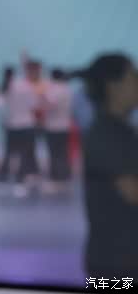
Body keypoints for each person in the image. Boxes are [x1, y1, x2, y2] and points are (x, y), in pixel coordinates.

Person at [81, 54, 138, 276]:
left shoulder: (122, 130)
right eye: (133, 76)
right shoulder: (105, 134)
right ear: (113, 86)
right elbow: (133, 191)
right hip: (115, 264)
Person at [6, 59, 45, 197]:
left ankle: (26, 177)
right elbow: (35, 106)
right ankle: (21, 180)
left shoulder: (12, 85)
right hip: (26, 125)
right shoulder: (27, 87)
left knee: (21, 154)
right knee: (24, 154)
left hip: (14, 125)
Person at [44, 68, 73, 193]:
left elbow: (50, 104)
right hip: (65, 126)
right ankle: (65, 176)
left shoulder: (54, 90)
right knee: (63, 152)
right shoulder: (67, 89)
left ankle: (57, 178)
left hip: (53, 126)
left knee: (54, 153)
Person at [0, 66, 16, 182]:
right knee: (11, 149)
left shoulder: (4, 87)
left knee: (8, 149)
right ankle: (4, 172)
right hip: (13, 123)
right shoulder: (12, 87)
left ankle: (4, 172)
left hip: (9, 122)